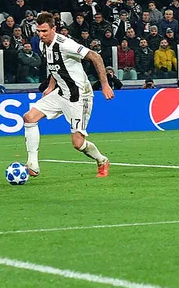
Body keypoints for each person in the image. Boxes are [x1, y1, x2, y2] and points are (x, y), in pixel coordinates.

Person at [22, 12, 114, 179]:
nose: (41, 35)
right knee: (29, 117)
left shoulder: (66, 44)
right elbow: (54, 66)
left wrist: (105, 85)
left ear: (53, 29)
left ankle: (102, 160)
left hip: (79, 96)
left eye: (44, 31)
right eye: (39, 31)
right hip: (61, 92)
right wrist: (51, 86)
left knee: (78, 144)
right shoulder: (43, 44)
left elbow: (96, 57)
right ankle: (32, 163)